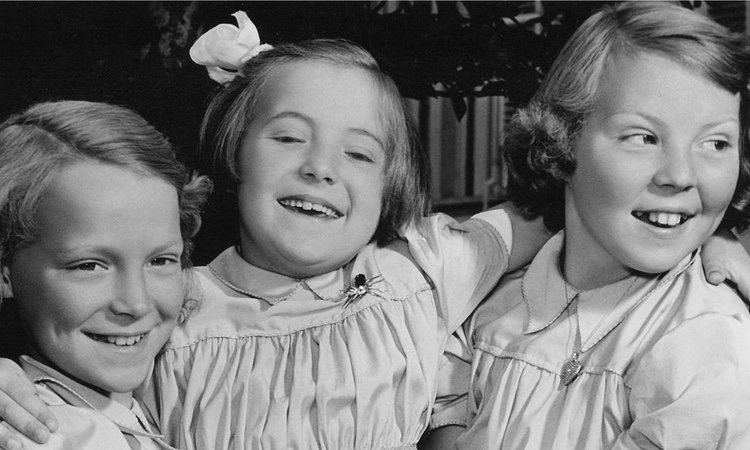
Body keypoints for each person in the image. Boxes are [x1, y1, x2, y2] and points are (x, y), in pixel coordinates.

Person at [1, 10, 750, 450]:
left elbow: (568, 199)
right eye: (289, 138)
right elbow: (72, 345)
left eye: (360, 152)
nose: (323, 169)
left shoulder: (422, 274)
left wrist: (715, 242)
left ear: (390, 180)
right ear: (233, 148)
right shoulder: (173, 300)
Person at [424, 2, 750, 449]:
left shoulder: (707, 342)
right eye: (643, 137)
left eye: (715, 142)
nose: (680, 174)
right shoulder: (488, 298)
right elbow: (445, 399)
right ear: (562, 139)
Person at [0, 101, 211, 449]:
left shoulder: (142, 401)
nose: (136, 303)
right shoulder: (57, 434)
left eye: (160, 261)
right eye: (88, 266)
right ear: (5, 270)